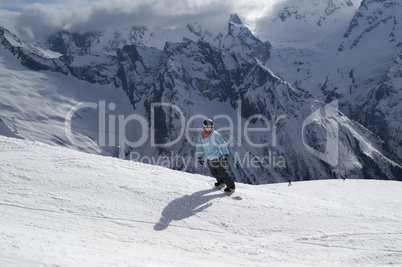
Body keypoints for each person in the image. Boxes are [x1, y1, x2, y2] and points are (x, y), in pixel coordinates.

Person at [196, 119, 236, 193]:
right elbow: (198, 146)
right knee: (214, 172)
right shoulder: (200, 136)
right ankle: (221, 182)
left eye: (211, 127)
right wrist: (199, 157)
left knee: (222, 172)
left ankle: (231, 186)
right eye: (207, 127)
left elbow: (223, 145)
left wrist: (226, 154)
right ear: (204, 127)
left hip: (218, 157)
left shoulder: (216, 135)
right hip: (209, 158)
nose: (209, 129)